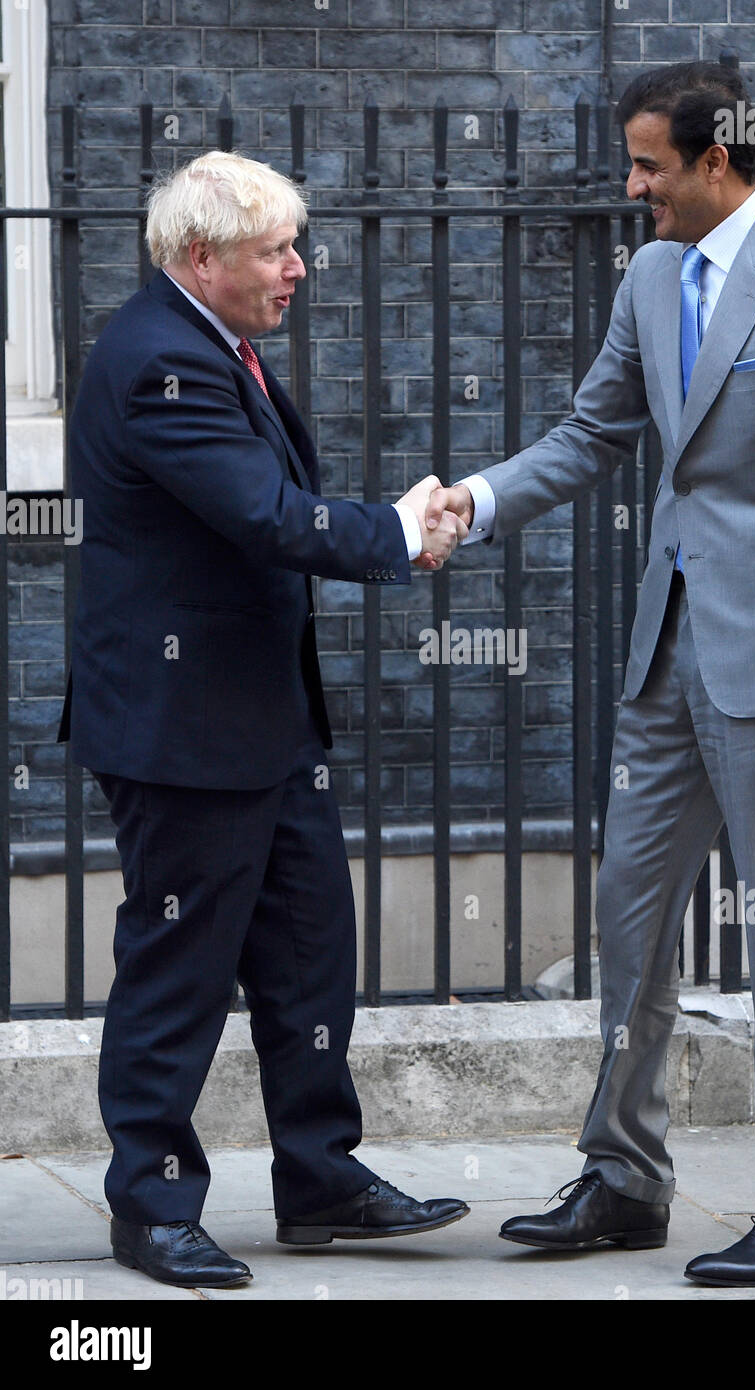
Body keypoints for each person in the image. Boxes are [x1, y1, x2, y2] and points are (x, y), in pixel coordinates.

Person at [428, 62, 755, 1286]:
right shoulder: (652, 278)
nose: (632, 184)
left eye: (649, 164)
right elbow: (594, 431)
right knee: (628, 921)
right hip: (667, 655)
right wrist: (474, 501)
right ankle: (625, 1176)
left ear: (717, 160)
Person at [58, 151, 469, 1289]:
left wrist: (389, 532)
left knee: (307, 958)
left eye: (295, 246)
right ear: (202, 258)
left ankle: (321, 1180)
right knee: (178, 965)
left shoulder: (208, 343)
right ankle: (151, 1204)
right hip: (183, 730)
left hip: (258, 722)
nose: (297, 270)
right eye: (273, 252)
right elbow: (264, 514)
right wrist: (394, 532)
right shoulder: (160, 366)